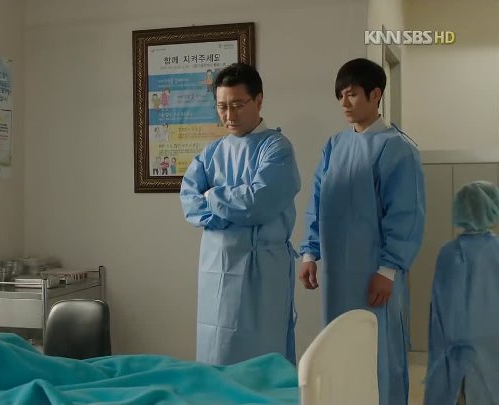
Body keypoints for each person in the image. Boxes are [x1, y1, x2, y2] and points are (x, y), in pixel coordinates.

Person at [298, 58, 425, 405]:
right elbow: (318, 202)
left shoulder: (397, 148)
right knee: (338, 351)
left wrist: (388, 270)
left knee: (378, 353)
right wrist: (309, 253)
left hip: (375, 276)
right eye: (340, 95)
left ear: (375, 94)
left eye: (352, 94)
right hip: (337, 276)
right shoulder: (334, 146)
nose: (344, 102)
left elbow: (405, 215)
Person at [180, 62, 301, 365]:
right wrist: (227, 209)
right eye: (222, 107)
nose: (229, 115)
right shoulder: (211, 153)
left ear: (258, 101)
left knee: (261, 358)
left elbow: (258, 203)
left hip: (261, 272)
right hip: (215, 268)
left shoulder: (276, 148)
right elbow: (190, 203)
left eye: (237, 105)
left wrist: (212, 196)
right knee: (216, 352)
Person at [424, 181, 499, 405]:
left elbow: (439, 305)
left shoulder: (448, 253)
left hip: (453, 345)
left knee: (454, 393)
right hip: (492, 343)